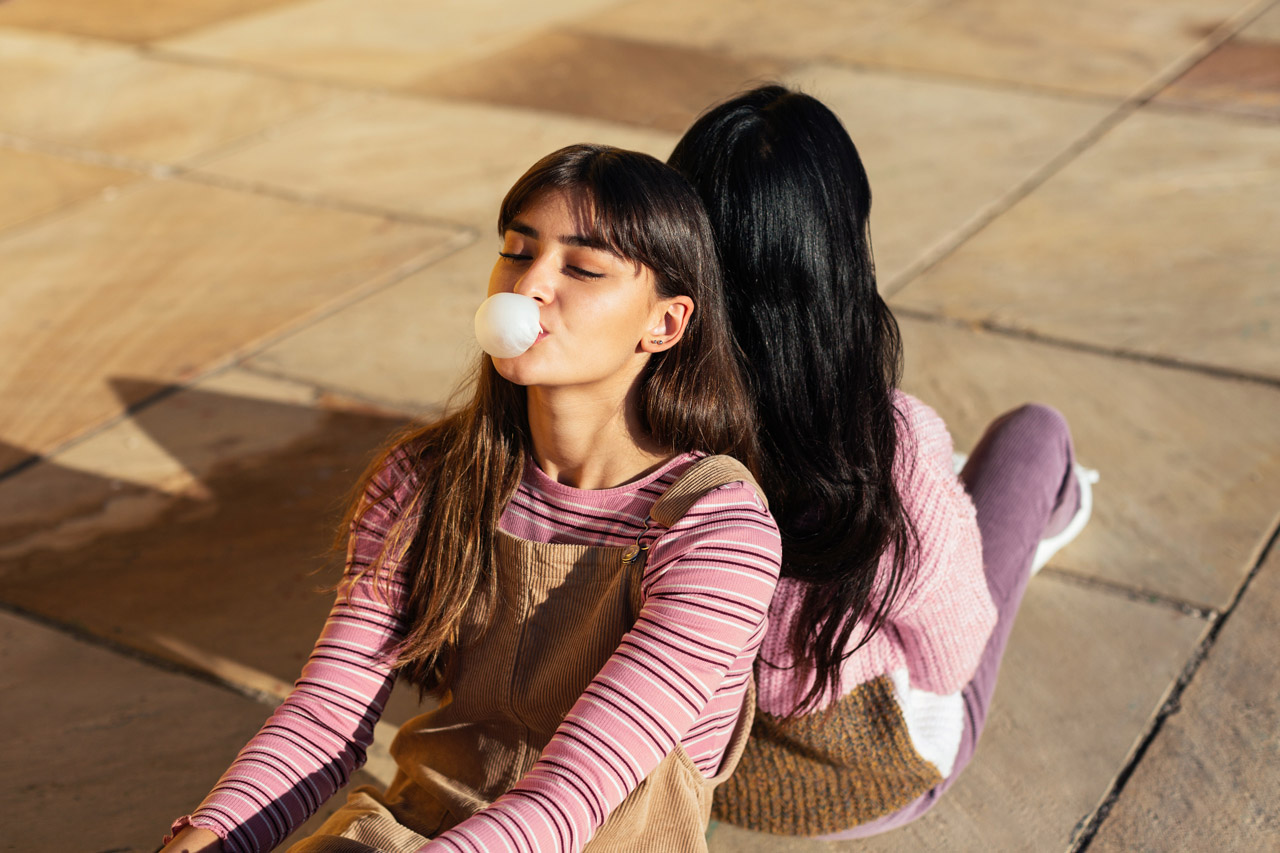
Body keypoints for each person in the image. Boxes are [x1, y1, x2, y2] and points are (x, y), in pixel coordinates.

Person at [160, 144, 782, 853]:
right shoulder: (426, 477)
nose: (531, 285)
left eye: (581, 267)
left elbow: (574, 790)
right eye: (518, 252)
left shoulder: (719, 530)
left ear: (665, 324)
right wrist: (202, 840)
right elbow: (326, 716)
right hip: (423, 827)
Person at [667, 85, 1097, 838]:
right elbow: (950, 661)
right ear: (840, 249)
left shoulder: (639, 409)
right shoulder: (887, 448)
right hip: (866, 782)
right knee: (1036, 434)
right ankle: (1039, 520)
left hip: (698, 765)